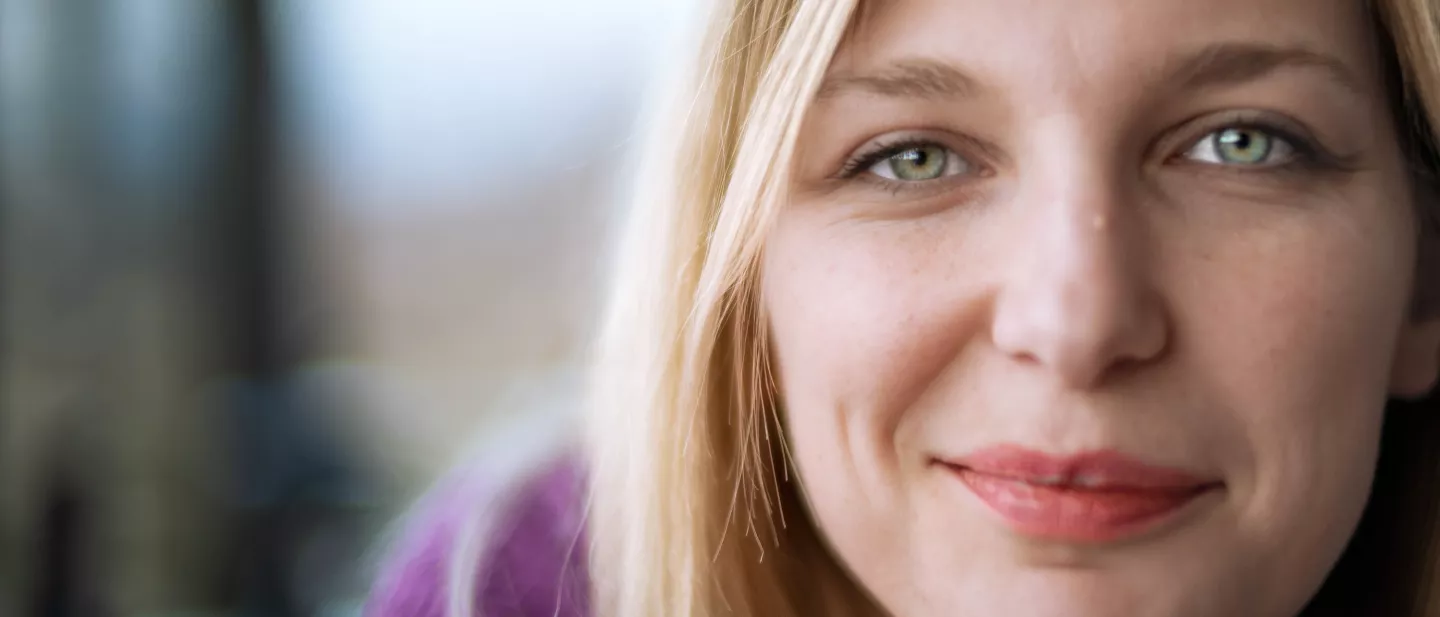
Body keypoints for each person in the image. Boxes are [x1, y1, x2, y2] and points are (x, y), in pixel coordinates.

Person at [366, 0, 1440, 615]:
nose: (1076, 322)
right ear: (742, 287)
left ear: (1425, 283)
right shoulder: (515, 585)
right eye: (912, 158)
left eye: (1238, 142)